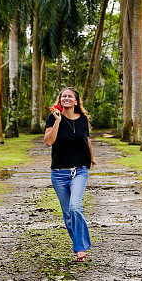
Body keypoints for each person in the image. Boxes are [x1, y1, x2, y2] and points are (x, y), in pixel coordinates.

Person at [43, 87, 97, 262]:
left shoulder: (82, 119)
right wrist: (58, 121)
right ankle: (79, 247)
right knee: (67, 214)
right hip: (59, 173)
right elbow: (48, 142)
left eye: (70, 96)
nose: (66, 98)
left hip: (79, 171)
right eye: (63, 96)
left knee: (75, 207)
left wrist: (92, 157)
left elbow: (86, 139)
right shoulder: (53, 118)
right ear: (60, 100)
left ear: (76, 101)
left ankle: (80, 248)